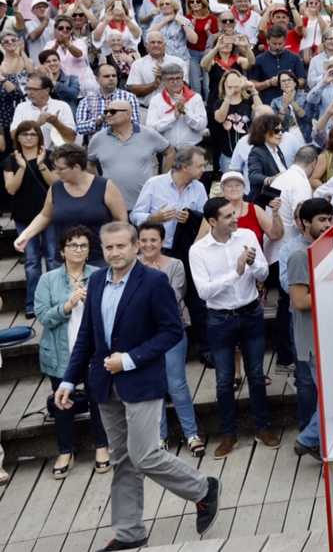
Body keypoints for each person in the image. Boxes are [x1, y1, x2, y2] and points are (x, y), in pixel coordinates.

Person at [56, 222, 220, 549]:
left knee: (143, 454)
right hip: (104, 384)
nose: (115, 253)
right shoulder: (97, 281)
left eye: (121, 246)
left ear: (135, 247)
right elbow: (88, 335)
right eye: (109, 248)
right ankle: (130, 532)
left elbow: (172, 332)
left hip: (141, 380)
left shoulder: (155, 282)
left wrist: (129, 359)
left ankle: (202, 488)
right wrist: (68, 379)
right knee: (121, 459)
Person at [189, 196, 279, 459]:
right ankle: (228, 434)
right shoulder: (198, 251)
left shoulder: (248, 235)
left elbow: (263, 275)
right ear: (212, 221)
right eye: (228, 216)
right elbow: (204, 292)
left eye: (233, 214)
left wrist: (253, 265)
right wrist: (236, 272)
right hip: (219, 317)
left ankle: (263, 427)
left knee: (256, 373)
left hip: (250, 311)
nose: (235, 218)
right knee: (224, 379)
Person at [34, 227, 111, 479]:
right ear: (62, 250)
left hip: (94, 352)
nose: (78, 249)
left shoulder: (100, 275)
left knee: (98, 400)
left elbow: (111, 312)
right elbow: (43, 316)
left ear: (89, 251)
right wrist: (67, 305)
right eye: (72, 245)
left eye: (83, 245)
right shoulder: (48, 280)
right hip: (60, 352)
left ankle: (102, 446)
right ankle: (65, 451)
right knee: (62, 403)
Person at [136, 222, 204, 454]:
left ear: (162, 241)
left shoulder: (175, 264)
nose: (148, 244)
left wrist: (149, 285)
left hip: (172, 330)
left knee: (176, 384)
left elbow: (174, 296)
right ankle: (160, 436)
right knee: (154, 384)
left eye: (153, 240)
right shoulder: (132, 266)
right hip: (143, 334)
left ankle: (191, 433)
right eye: (143, 240)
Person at [14, 144, 129, 268]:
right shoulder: (56, 188)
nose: (56, 173)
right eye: (55, 168)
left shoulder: (105, 186)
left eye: (61, 169)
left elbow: (121, 220)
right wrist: (26, 235)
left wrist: (117, 249)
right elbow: (45, 216)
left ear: (77, 167)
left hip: (100, 259)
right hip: (65, 260)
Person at [287, 197, 333, 462]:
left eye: (329, 219)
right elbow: (300, 300)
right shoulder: (298, 256)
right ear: (305, 223)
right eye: (321, 220)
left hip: (330, 334)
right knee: (330, 396)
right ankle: (308, 439)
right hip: (312, 339)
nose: (327, 225)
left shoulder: (327, 248)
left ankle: (312, 440)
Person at [5, 121, 57, 318]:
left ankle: (55, 300)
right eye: (24, 134)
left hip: (50, 214)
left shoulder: (50, 156)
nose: (28, 137)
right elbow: (11, 189)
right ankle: (32, 303)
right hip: (24, 217)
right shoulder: (11, 160)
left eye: (33, 134)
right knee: (32, 261)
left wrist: (42, 164)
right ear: (17, 137)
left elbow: (56, 185)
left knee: (53, 258)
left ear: (39, 137)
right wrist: (21, 167)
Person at [12, 72, 77, 146]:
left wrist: (56, 123)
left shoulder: (62, 106)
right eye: (27, 89)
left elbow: (71, 139)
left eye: (34, 89)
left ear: (47, 90)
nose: (29, 92)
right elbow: (13, 135)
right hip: (29, 154)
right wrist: (37, 124)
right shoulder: (21, 107)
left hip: (56, 154)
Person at [245, 113, 290, 200]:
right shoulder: (256, 151)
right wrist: (270, 179)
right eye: (276, 131)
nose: (280, 133)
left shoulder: (277, 149)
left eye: (282, 130)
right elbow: (253, 175)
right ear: (264, 132)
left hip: (278, 198)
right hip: (264, 201)